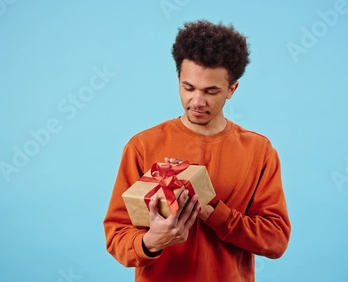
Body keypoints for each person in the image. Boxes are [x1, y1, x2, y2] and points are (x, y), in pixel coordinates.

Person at [103, 20, 291, 281]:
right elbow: (117, 236)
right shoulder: (143, 146)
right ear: (178, 79)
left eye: (211, 91)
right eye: (188, 88)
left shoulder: (259, 151)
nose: (197, 101)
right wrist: (151, 241)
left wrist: (215, 212)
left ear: (232, 89)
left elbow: (276, 239)